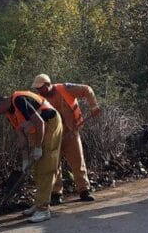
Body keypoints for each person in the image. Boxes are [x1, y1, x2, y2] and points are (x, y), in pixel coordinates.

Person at [0, 89, 63, 223]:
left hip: (50, 124)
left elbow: (40, 123)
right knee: (37, 168)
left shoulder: (19, 100)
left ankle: (43, 210)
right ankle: (38, 203)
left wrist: (38, 148)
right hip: (36, 129)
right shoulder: (9, 113)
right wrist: (25, 159)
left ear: (1, 103)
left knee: (45, 167)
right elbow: (21, 135)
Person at [32, 73, 100, 205]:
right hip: (53, 136)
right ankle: (56, 193)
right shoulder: (38, 99)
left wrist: (93, 106)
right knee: (54, 164)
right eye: (37, 89)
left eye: (41, 88)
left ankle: (84, 190)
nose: (39, 91)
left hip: (71, 132)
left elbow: (87, 89)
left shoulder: (65, 88)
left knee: (77, 160)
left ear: (48, 84)